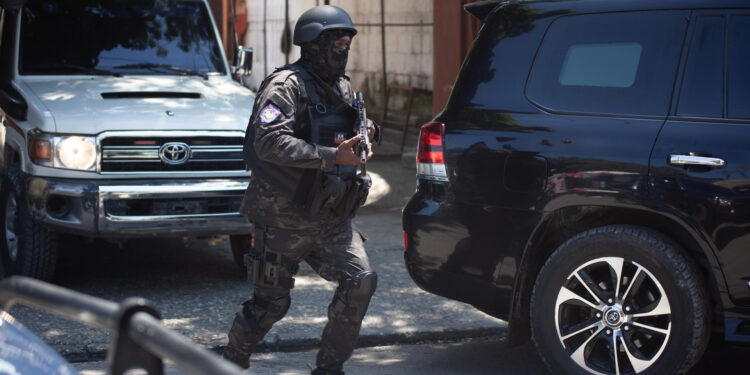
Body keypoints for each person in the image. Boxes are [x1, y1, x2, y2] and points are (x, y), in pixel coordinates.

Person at [223, 5, 381, 375]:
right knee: (271, 304)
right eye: (336, 43)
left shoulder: (340, 85)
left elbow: (347, 124)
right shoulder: (285, 86)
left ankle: (329, 368)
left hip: (331, 214)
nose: (343, 50)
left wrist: (368, 133)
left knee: (360, 282)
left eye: (347, 43)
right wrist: (330, 155)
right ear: (312, 45)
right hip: (283, 216)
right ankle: (228, 361)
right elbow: (268, 142)